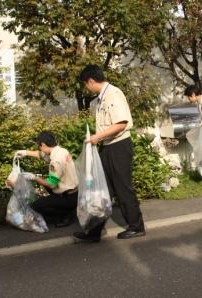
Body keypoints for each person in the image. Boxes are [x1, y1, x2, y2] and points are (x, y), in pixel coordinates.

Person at [74, 64, 145, 242]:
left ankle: (136, 227)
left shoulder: (113, 94)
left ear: (90, 81)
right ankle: (93, 231)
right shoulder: (101, 97)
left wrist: (97, 136)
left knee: (122, 188)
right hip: (108, 146)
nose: (86, 88)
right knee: (101, 190)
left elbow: (121, 123)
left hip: (119, 146)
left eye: (85, 84)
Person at [15, 131, 79, 228]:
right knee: (46, 184)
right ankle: (66, 209)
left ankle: (66, 213)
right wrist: (25, 153)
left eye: (39, 146)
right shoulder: (61, 151)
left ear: (43, 144)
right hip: (75, 192)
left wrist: (34, 177)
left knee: (36, 206)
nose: (39, 149)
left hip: (69, 197)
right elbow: (41, 154)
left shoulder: (55, 161)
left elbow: (51, 184)